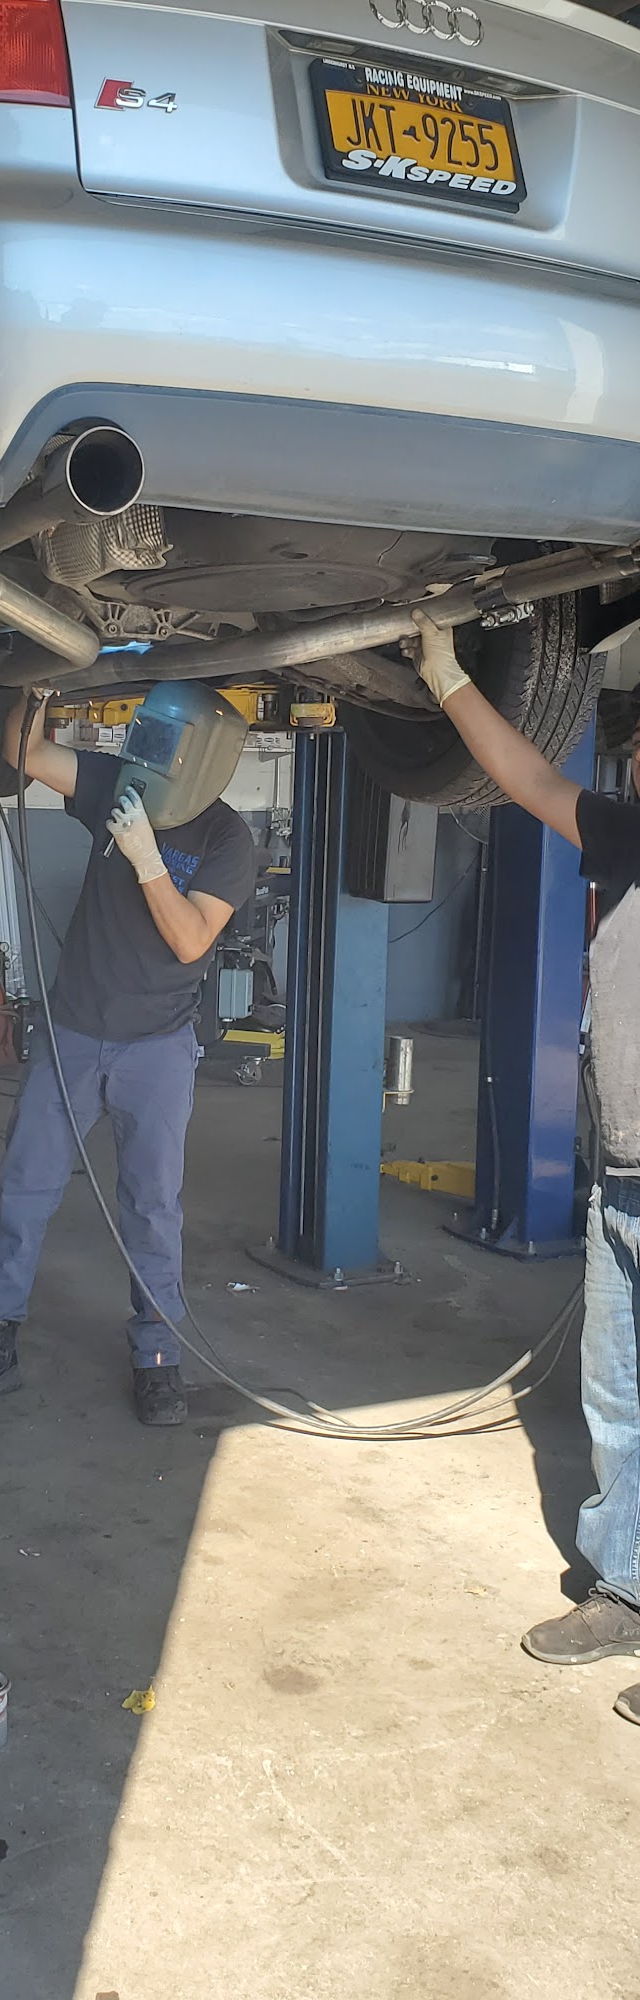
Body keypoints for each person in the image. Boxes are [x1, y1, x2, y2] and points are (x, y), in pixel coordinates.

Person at [414, 608, 640, 1727]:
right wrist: (447, 675)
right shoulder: (628, 836)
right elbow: (528, 777)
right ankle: (627, 1587)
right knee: (617, 1398)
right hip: (624, 1179)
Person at [0, 684, 257, 1428]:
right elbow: (26, 754)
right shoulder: (119, 783)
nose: (151, 755)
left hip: (156, 1051)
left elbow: (191, 940)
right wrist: (36, 690)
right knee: (23, 1190)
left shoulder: (227, 840)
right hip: (72, 1033)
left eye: (168, 745)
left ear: (205, 759)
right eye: (149, 738)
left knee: (151, 1209)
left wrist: (146, 858)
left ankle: (158, 1358)